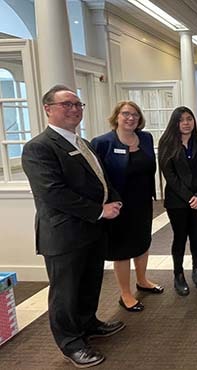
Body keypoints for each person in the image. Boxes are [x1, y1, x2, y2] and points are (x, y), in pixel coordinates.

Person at [21, 85, 124, 368]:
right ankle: (71, 343)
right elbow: (53, 192)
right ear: (48, 109)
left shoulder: (83, 143)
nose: (75, 109)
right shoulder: (39, 148)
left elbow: (99, 178)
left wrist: (113, 200)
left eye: (78, 104)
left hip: (92, 230)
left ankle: (88, 324)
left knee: (89, 284)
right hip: (64, 234)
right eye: (67, 104)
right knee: (65, 293)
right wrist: (98, 210)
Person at [91, 101, 162, 313]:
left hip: (142, 201)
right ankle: (125, 292)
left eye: (135, 115)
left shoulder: (146, 138)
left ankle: (142, 280)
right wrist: (105, 202)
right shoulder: (103, 142)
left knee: (142, 241)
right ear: (117, 116)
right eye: (125, 114)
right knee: (122, 248)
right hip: (118, 204)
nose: (130, 118)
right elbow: (96, 176)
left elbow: (150, 168)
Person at [158, 106, 197, 296]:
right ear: (175, 123)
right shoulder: (166, 143)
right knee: (180, 237)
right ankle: (178, 274)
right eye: (181, 120)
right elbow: (170, 176)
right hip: (177, 201)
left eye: (189, 119)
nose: (186, 123)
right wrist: (190, 197)